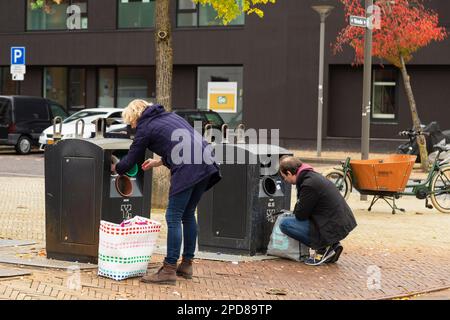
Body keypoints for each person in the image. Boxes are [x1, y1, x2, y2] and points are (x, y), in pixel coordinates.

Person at [111, 99, 221, 285]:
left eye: (130, 122)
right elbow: (184, 143)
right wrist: (159, 162)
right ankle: (186, 264)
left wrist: (117, 167)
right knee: (187, 214)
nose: (132, 126)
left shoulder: (145, 127)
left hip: (189, 167)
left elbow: (131, 158)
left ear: (134, 117)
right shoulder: (170, 116)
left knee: (173, 216)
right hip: (206, 161)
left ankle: (169, 269)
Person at [278, 156, 357, 266]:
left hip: (333, 225)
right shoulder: (311, 176)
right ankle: (333, 245)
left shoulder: (308, 184)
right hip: (339, 222)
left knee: (285, 224)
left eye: (284, 177)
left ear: (289, 173)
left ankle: (323, 248)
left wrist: (298, 209)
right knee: (293, 219)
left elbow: (301, 215)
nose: (285, 180)